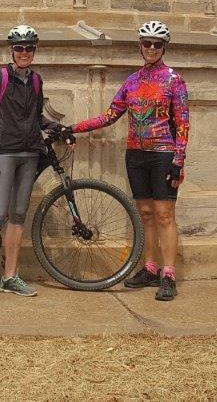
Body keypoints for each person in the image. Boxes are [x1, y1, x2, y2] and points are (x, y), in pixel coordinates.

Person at [69, 20, 189, 301]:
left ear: (164, 47)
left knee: (164, 215)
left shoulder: (174, 80)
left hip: (163, 155)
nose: (151, 48)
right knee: (146, 213)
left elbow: (183, 123)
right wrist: (73, 128)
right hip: (135, 154)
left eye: (156, 44)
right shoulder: (132, 82)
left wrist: (178, 160)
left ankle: (168, 273)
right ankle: (149, 267)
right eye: (146, 43)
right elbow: (110, 116)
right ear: (140, 46)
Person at [0, 24, 64, 308]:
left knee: (19, 215)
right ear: (11, 51)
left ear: (34, 51)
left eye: (29, 48)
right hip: (4, 153)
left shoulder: (36, 80)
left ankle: (10, 276)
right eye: (19, 48)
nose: (24, 53)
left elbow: (36, 118)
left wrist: (58, 128)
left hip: (30, 153)